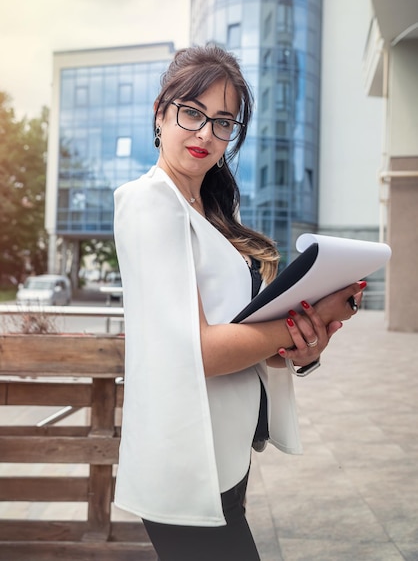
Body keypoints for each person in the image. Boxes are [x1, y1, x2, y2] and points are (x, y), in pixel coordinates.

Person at [113, 44, 365, 561]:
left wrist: (301, 347)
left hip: (224, 460)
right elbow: (198, 352)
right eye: (192, 112)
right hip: (186, 464)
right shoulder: (147, 202)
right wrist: (310, 315)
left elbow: (245, 335)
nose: (206, 133)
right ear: (161, 113)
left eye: (223, 122)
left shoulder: (210, 213)